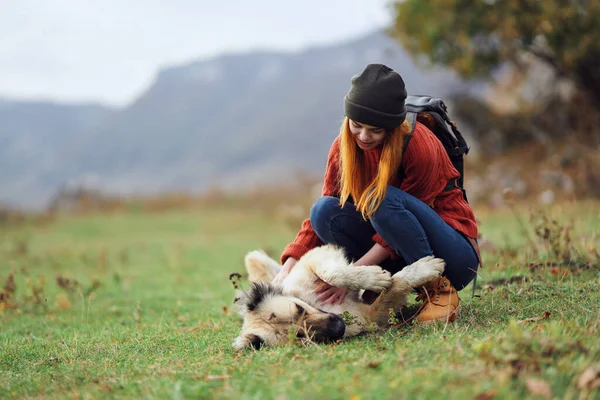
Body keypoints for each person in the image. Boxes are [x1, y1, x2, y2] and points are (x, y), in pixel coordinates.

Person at [273, 64, 480, 324]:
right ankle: (382, 289)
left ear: (392, 127)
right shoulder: (343, 148)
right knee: (323, 210)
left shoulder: (419, 144)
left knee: (381, 200)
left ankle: (439, 291)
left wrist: (351, 277)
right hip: (398, 251)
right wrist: (289, 264)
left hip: (451, 255)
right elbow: (322, 216)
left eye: (375, 130)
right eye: (356, 125)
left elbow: (400, 226)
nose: (363, 136)